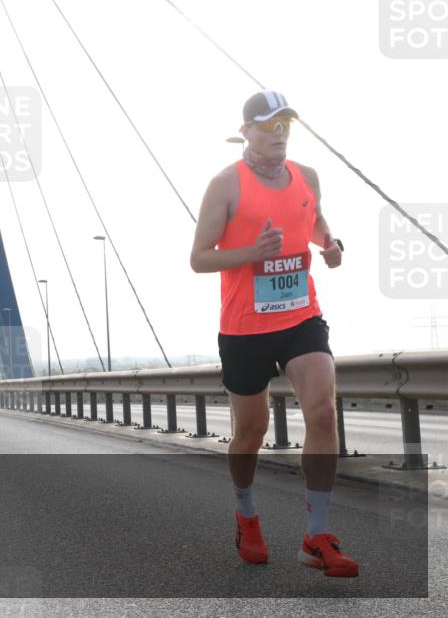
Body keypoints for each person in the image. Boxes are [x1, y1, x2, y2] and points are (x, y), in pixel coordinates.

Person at [190, 90, 356, 577]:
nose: (279, 132)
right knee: (252, 432)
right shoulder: (225, 185)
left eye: (285, 124)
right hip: (245, 328)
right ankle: (246, 516)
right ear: (246, 131)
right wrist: (250, 254)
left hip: (301, 316)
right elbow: (199, 258)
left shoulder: (307, 176)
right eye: (268, 125)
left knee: (324, 414)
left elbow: (314, 218)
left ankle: (316, 535)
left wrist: (330, 243)